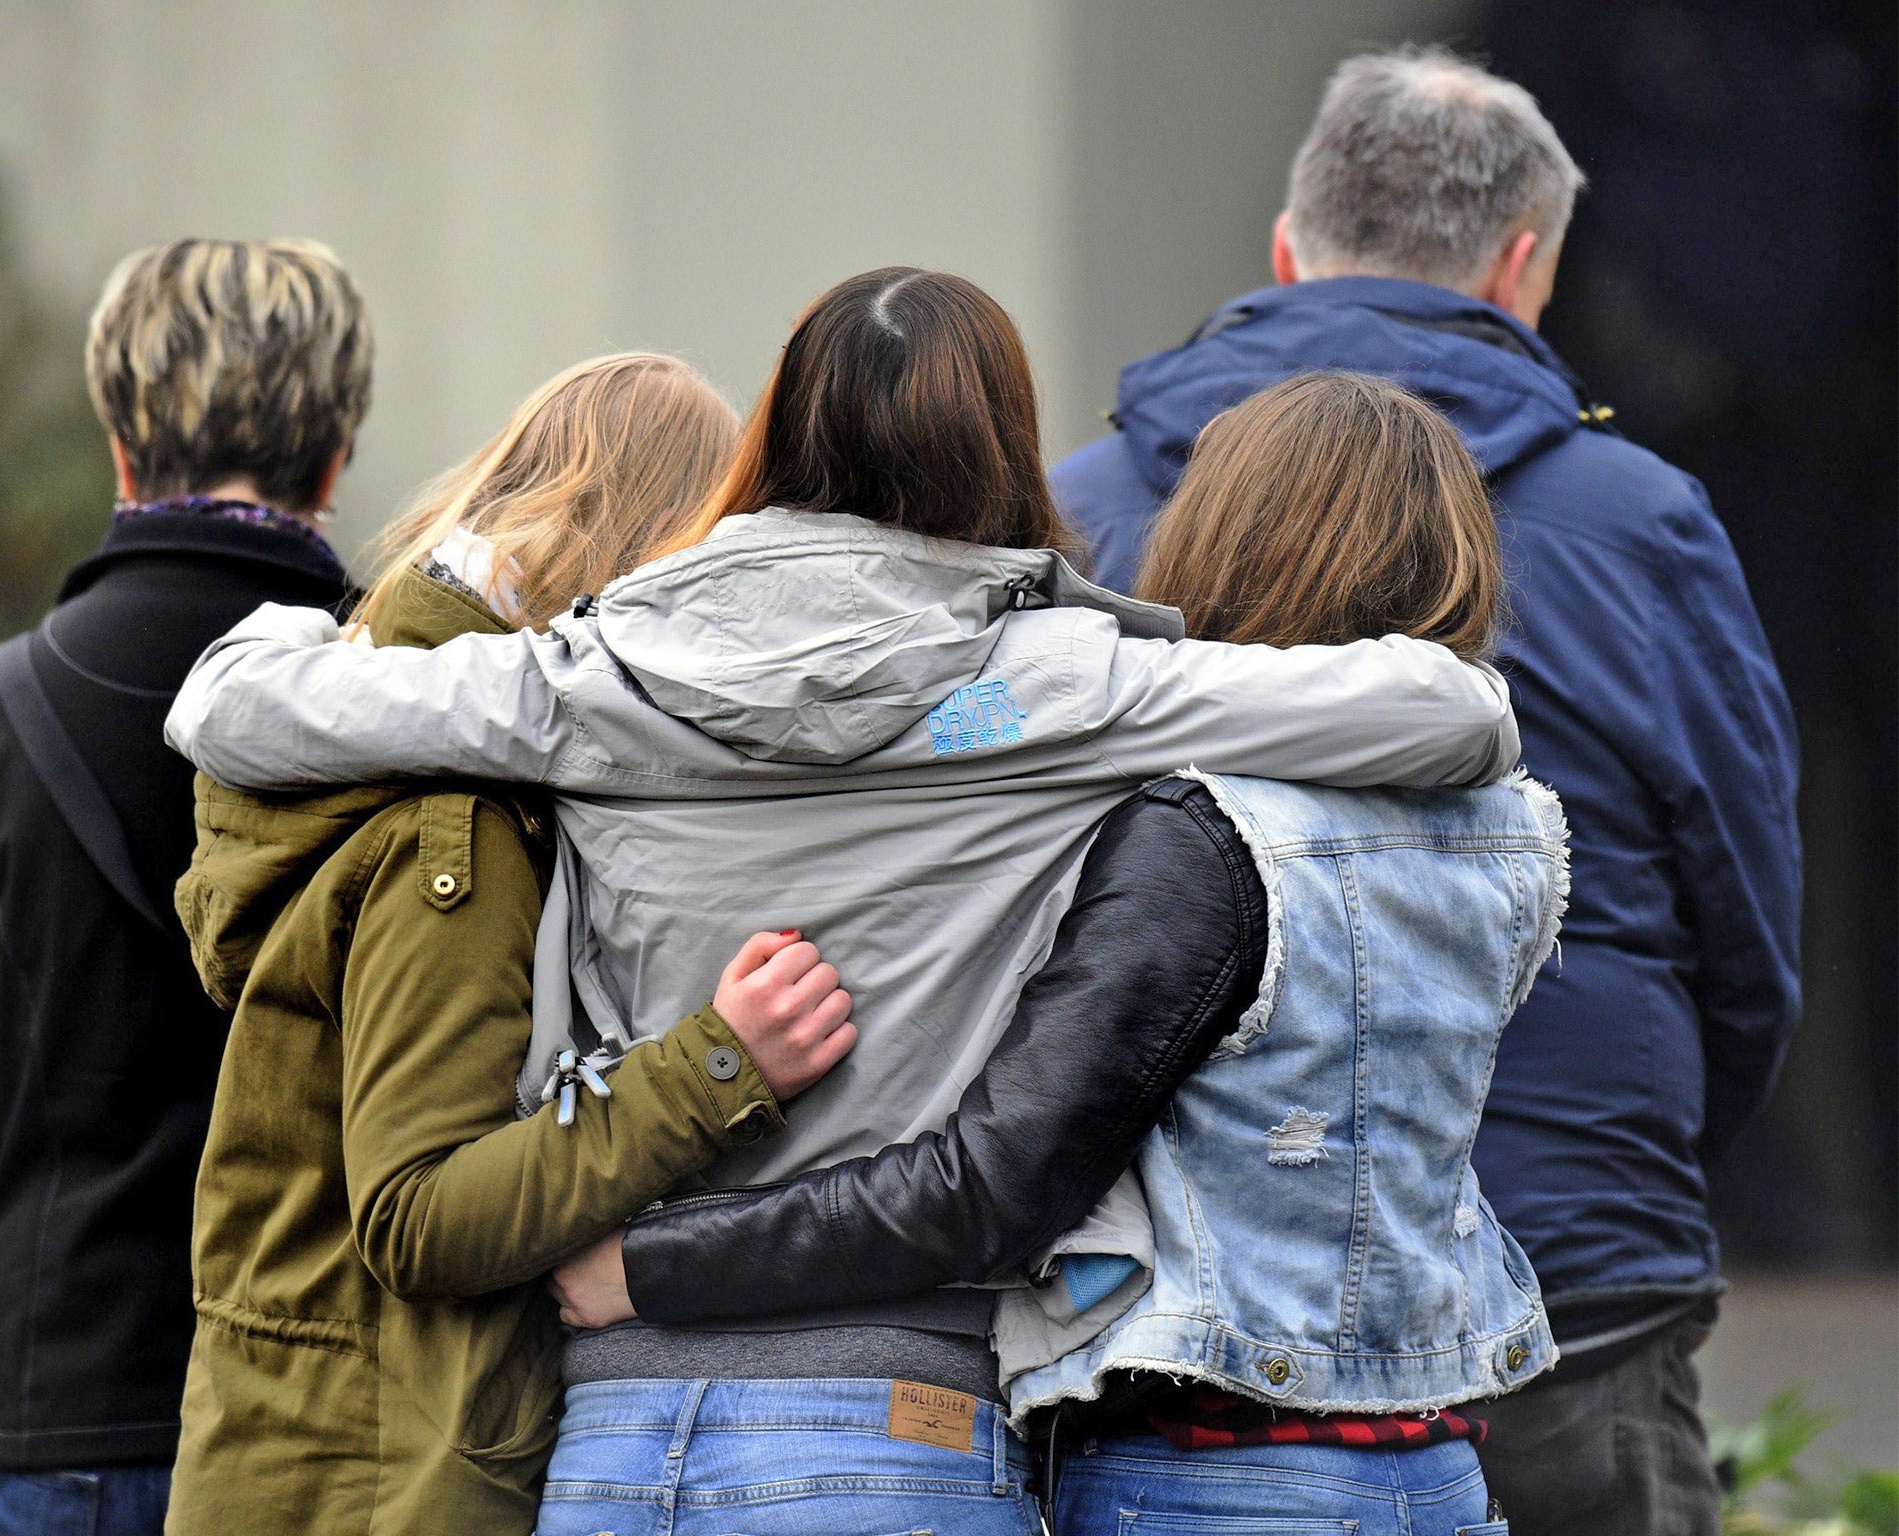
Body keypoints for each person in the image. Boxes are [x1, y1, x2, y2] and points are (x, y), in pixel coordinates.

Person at [165, 266, 1521, 1533]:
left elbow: (231, 711)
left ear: (774, 435)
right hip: (898, 1425)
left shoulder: (599, 677)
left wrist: (291, 624)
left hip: (614, 1436)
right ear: (1002, 448)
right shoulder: (1071, 687)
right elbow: (1451, 716)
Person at [549, 373, 1558, 1536]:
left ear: (1225, 538)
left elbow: (996, 1184)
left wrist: (650, 1263)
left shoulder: (1203, 838)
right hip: (1433, 1466)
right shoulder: (1514, 832)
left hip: (1209, 1471)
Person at [1051, 50, 1800, 1536]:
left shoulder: (1077, 509)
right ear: (1525, 267)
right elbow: (1746, 927)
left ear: (1286, 249)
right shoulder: (1642, 523)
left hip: (1185, 1312)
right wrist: (1628, 1164)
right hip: (1574, 1266)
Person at [163, 353, 857, 1535]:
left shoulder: (376, 741)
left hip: (304, 1460)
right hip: (384, 1481)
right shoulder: (460, 834)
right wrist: (715, 1067)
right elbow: (418, 1214)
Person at [0, 238, 367, 1536]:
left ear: (119, 440)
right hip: (334, 1413)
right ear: (334, 458)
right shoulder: (415, 691)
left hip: (75, 1396)